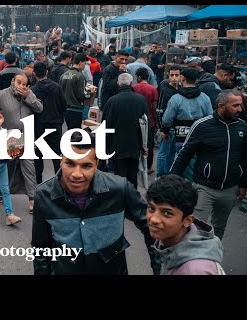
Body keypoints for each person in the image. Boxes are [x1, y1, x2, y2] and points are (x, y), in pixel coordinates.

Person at [31, 131, 160, 275]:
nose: (76, 174)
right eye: (70, 163)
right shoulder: (44, 195)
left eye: (86, 166)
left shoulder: (120, 189)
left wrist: (160, 269)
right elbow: (41, 249)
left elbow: (151, 226)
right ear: (61, 159)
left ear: (96, 164)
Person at [171, 90, 247, 240]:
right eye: (236, 105)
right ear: (221, 106)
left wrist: (243, 184)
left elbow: (244, 158)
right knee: (196, 228)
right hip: (204, 188)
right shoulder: (202, 126)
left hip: (230, 189)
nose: (240, 109)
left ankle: (212, 259)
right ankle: (192, 259)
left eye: (241, 105)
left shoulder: (243, 127)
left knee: (219, 228)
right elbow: (184, 154)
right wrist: (172, 182)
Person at [0, 72, 43, 214]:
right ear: (12, 81)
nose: (21, 86)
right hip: (7, 139)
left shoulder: (29, 95)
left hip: (26, 138)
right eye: (18, 82)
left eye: (24, 84)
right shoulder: (1, 95)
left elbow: (39, 108)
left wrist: (28, 96)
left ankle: (32, 199)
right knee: (7, 166)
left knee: (29, 167)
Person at [147, 174, 225, 275]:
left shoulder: (194, 270)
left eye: (167, 213)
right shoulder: (169, 239)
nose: (154, 219)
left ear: (187, 221)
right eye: (152, 209)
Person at [103, 73, 149, 189]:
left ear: (118, 84)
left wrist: (105, 146)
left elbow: (105, 125)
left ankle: (120, 200)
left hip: (117, 145)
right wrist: (146, 145)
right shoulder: (141, 100)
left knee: (119, 174)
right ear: (131, 83)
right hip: (135, 144)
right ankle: (132, 198)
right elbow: (146, 124)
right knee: (133, 173)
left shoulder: (112, 101)